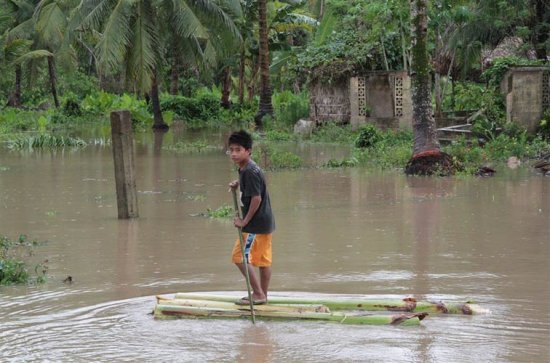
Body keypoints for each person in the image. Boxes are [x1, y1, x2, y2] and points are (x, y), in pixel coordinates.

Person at [228, 130, 275, 305]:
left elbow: (257, 198)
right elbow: (256, 186)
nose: (234, 153)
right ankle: (262, 295)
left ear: (248, 151)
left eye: (238, 150)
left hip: (255, 225)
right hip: (265, 222)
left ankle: (258, 294)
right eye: (231, 150)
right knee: (263, 261)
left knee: (239, 257)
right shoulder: (246, 168)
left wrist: (244, 221)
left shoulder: (249, 171)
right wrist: (239, 184)